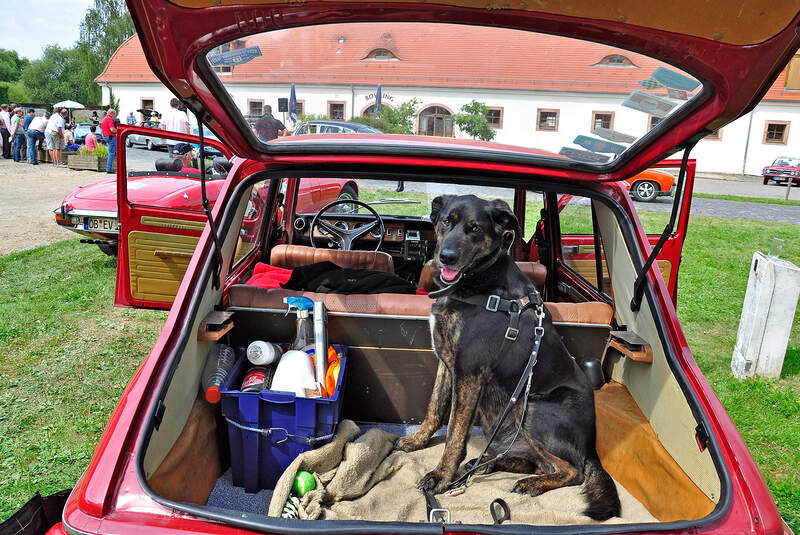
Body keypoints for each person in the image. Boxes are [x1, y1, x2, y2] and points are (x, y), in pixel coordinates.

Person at [101, 108, 118, 174]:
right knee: (112, 153)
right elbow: (112, 129)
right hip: (111, 137)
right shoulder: (110, 119)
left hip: (106, 136)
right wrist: (119, 131)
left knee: (111, 152)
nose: (115, 116)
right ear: (112, 113)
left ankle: (111, 167)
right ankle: (109, 169)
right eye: (115, 114)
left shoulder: (104, 119)